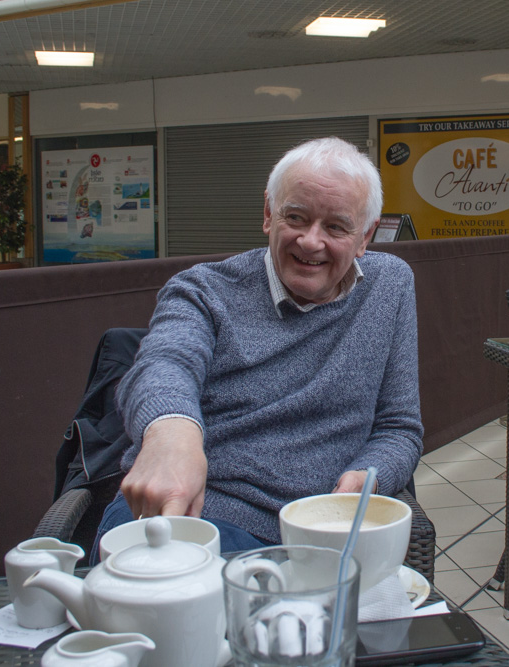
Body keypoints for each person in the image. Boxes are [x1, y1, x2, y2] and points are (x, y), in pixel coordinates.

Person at [93, 136, 423, 557]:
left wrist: (369, 475)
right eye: (296, 217)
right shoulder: (202, 289)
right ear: (269, 213)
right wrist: (171, 434)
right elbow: (165, 363)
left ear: (365, 236)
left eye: (336, 227)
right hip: (200, 515)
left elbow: (399, 427)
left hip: (323, 530)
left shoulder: (390, 284)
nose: (310, 241)